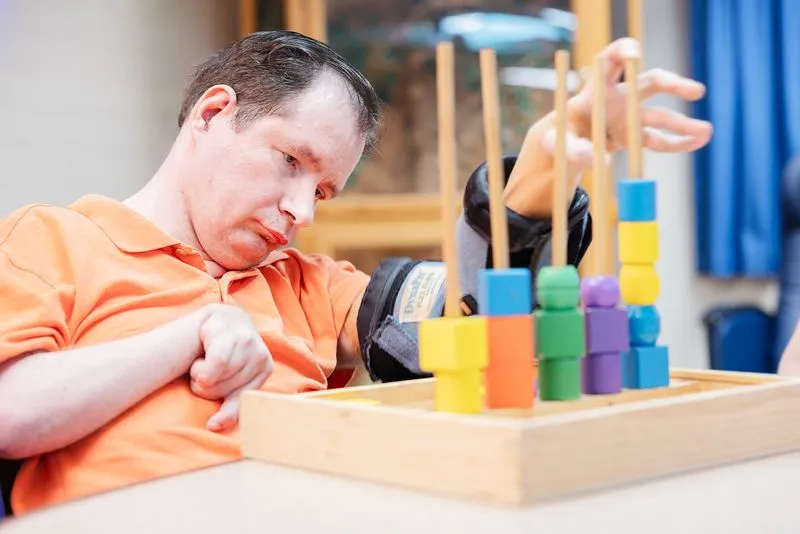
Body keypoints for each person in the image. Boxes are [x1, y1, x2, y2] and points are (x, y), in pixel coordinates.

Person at [0, 30, 711, 515]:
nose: (302, 211)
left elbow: (466, 319)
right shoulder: (53, 239)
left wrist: (537, 177)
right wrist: (192, 332)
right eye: (291, 161)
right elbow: (10, 413)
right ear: (215, 113)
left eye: (323, 190)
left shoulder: (306, 284)